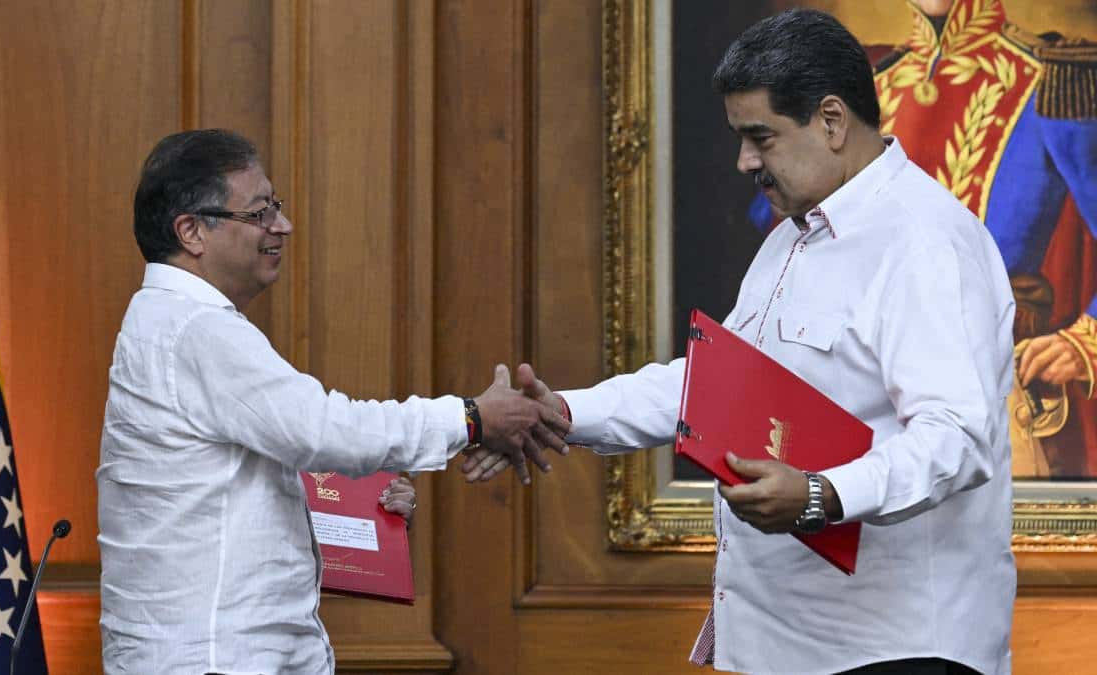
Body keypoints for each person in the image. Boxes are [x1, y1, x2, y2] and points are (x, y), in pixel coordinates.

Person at [469, 9, 1015, 674]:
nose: (744, 161)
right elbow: (712, 387)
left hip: (894, 652)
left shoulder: (926, 242)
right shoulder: (793, 237)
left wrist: (821, 494)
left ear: (833, 121)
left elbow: (957, 437)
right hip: (789, 648)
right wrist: (564, 414)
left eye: (761, 137)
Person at [96, 129, 570, 674]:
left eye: (277, 206)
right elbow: (327, 432)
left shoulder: (174, 322)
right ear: (191, 231)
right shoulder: (194, 329)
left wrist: (366, 511)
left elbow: (221, 492)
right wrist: (471, 417)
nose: (282, 225)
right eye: (259, 213)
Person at [868, 0, 1097, 478]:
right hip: (874, 393)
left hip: (998, 393)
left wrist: (1085, 341)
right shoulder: (869, 92)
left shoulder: (1051, 81)